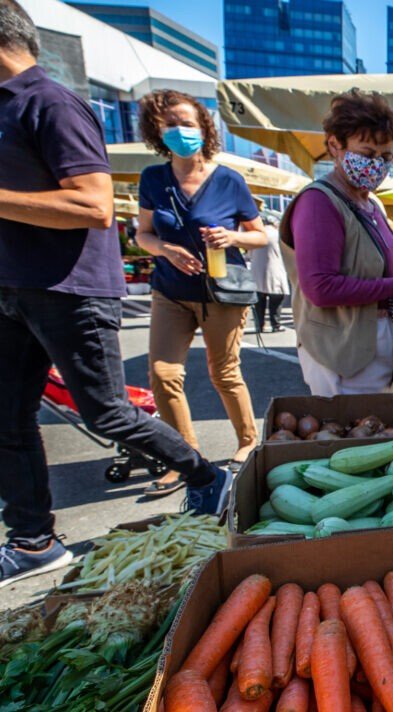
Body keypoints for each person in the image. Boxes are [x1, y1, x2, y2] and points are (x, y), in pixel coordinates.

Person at [0, 0, 229, 585]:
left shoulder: (49, 102)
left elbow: (95, 206)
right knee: (7, 417)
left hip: (68, 287)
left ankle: (206, 475)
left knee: (107, 411)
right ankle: (31, 540)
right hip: (14, 286)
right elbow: (142, 232)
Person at [134, 89, 267, 493]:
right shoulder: (153, 179)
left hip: (222, 293)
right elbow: (142, 234)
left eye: (186, 123)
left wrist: (231, 236)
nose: (179, 131)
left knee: (224, 372)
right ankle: (185, 456)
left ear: (203, 128)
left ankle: (248, 441)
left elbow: (260, 236)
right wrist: (165, 249)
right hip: (170, 290)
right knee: (162, 373)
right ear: (157, 131)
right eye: (170, 124)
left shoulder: (229, 180)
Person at [281, 90, 393, 396]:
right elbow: (321, 288)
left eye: (386, 157)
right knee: (353, 436)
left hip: (378, 347)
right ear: (334, 145)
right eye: (367, 154)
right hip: (341, 352)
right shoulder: (318, 203)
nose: (377, 165)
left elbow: (384, 272)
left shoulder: (373, 205)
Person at [250, 213, 289, 333]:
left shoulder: (255, 236)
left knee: (259, 302)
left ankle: (259, 325)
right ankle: (275, 324)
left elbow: (248, 253)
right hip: (275, 270)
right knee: (276, 300)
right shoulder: (278, 235)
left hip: (257, 272)